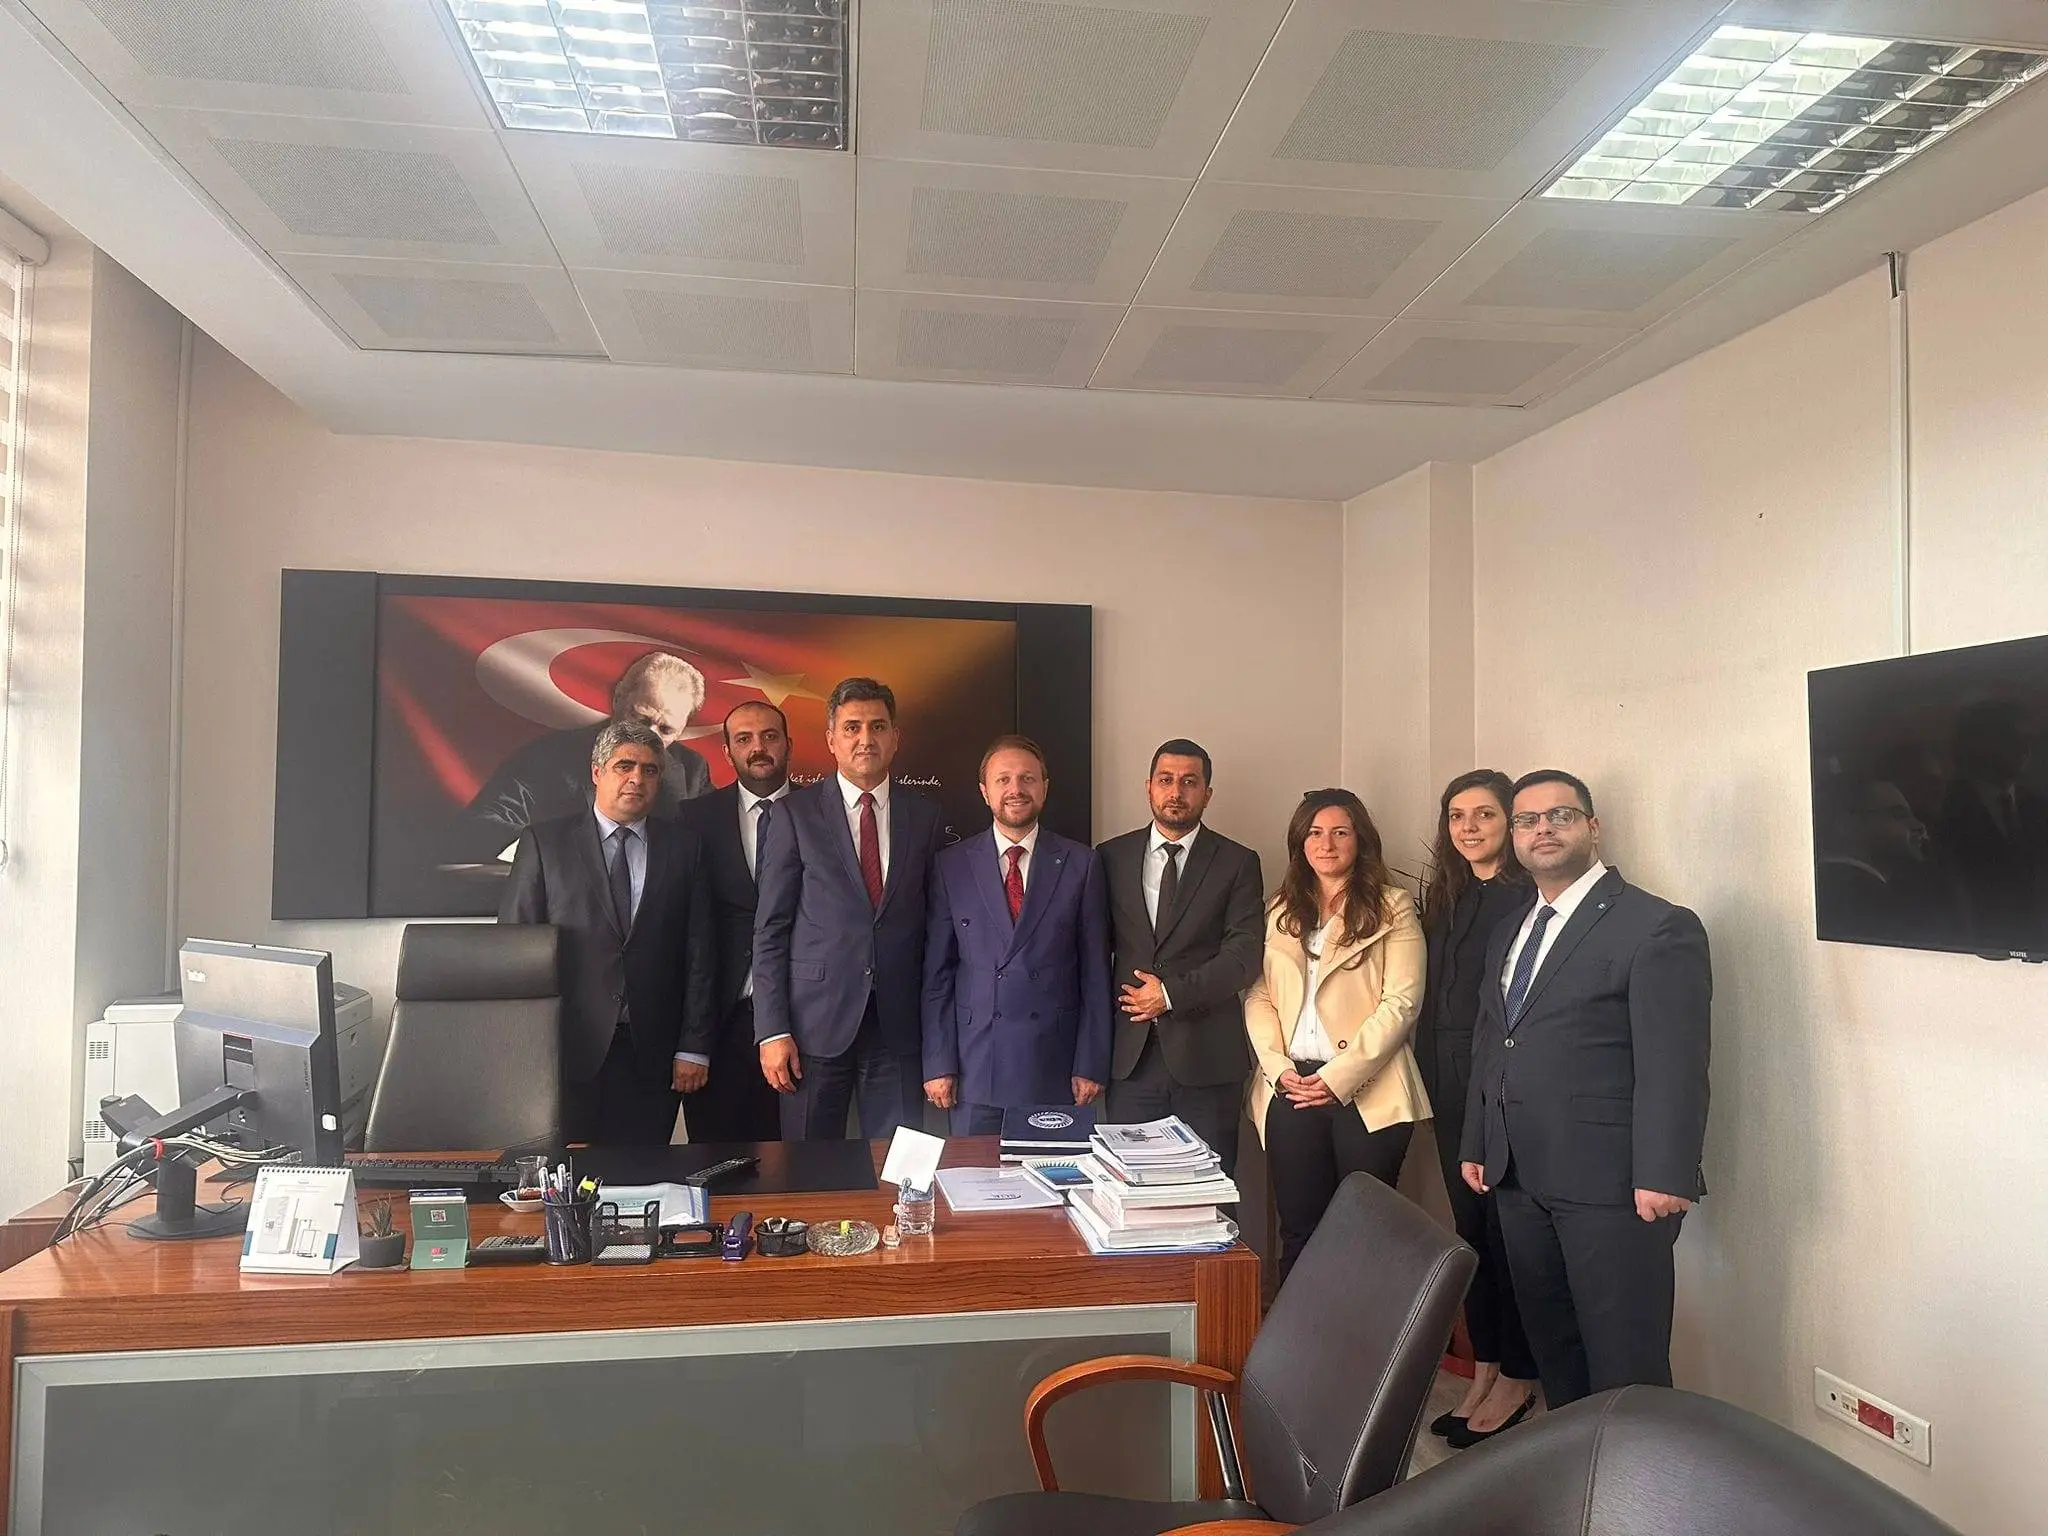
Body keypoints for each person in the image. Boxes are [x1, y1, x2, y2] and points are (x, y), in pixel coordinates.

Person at [1460, 770, 1712, 1409]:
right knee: (1556, 1353)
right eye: (1527, 820)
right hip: (1518, 1176)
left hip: (1614, 1186)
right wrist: (1478, 1142)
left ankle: (1636, 1475)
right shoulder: (1512, 928)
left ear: (1592, 828)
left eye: (1560, 816)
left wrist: (1665, 1172)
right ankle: (1573, 1468)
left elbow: (1675, 1063)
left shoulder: (1656, 926)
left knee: (1626, 1364)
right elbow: (1492, 1042)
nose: (1542, 829)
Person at [499, 718, 716, 1144]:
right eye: (624, 766)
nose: (637, 779)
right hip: (564, 1050)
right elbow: (514, 952)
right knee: (566, 1175)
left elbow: (701, 955)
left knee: (642, 1172)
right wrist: (521, 1050)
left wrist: (693, 1045)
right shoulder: (545, 843)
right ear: (597, 772)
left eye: (650, 770)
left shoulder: (684, 848)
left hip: (653, 1052)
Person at [1244, 788, 1428, 1283]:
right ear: (1300, 843)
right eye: (1315, 833)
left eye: (1340, 832)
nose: (1326, 844)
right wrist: (1278, 1068)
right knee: (1299, 1231)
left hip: (1369, 1091)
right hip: (1291, 1088)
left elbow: (1402, 1003)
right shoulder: (1279, 908)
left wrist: (1337, 1077)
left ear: (1360, 840)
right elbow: (1259, 995)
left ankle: (1367, 1334)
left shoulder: (1393, 907)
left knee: (1367, 1232)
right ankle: (1299, 1333)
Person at [752, 677, 947, 1141]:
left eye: (878, 726)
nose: (865, 739)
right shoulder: (794, 815)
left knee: (896, 1166)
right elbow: (771, 929)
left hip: (898, 1027)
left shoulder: (926, 816)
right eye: (852, 727)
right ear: (831, 740)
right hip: (812, 1029)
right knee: (807, 1166)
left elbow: (937, 928)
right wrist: (772, 1030)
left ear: (895, 738)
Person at [1415, 770, 1539, 1447]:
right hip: (1447, 1085)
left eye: (1484, 814)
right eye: (1457, 815)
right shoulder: (1448, 896)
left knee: (1506, 1232)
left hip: (1499, 1087)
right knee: (1471, 1234)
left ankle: (1518, 1375)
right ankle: (1485, 1368)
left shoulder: (1528, 897)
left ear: (1511, 822)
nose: (1468, 827)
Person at [921, 735, 1112, 1134]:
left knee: (1052, 1174)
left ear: (1045, 787)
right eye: (1003, 779)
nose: (1016, 789)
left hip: (1054, 1066)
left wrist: (1090, 1063)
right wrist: (939, 1063)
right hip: (975, 1066)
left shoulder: (1081, 863)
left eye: (1027, 778)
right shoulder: (951, 865)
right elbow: (938, 975)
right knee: (974, 1173)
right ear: (984, 791)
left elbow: (1096, 974)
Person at [1098, 740, 1264, 1176]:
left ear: (1207, 793)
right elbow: (1092, 953)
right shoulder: (1110, 857)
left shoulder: (1238, 862)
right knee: (1132, 1191)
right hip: (1130, 1063)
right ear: (1148, 787)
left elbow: (1244, 956)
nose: (1176, 792)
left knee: (1209, 1191)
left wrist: (1170, 995)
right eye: (1166, 780)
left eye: (1189, 782)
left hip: (1208, 1062)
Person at [674, 701, 791, 1144]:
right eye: (744, 739)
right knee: (716, 1160)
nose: (758, 747)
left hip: (801, 1022)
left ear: (788, 744)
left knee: (801, 1160)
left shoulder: (823, 813)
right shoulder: (693, 819)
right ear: (727, 751)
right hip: (719, 1020)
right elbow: (683, 931)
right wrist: (692, 1041)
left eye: (769, 736)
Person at [469, 651, 715, 854]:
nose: (647, 737)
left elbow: (717, 841)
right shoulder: (549, 756)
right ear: (618, 697)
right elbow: (483, 823)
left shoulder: (692, 770)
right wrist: (558, 853)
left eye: (666, 730)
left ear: (682, 729)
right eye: (641, 718)